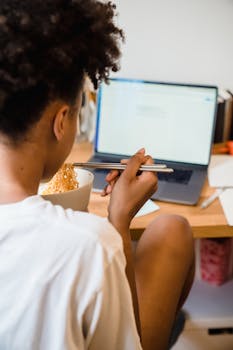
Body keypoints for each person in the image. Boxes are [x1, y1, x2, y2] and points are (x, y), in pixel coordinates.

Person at [0, 1, 195, 349]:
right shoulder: (89, 247)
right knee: (175, 229)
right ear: (61, 122)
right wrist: (117, 222)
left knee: (172, 227)